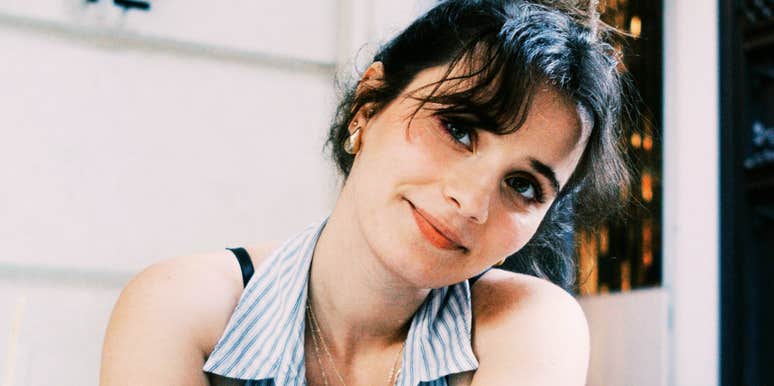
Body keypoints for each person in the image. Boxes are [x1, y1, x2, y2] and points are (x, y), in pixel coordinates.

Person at [100, 0, 632, 385]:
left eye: (523, 185)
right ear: (368, 107)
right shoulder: (183, 305)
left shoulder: (531, 327)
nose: (472, 201)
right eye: (459, 129)